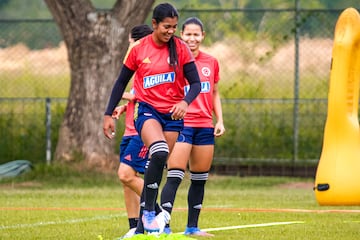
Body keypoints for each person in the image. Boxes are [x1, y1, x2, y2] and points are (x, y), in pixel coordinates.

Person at [103, 2, 201, 234]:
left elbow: (195, 83)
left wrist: (185, 102)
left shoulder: (181, 48)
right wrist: (108, 113)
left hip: (173, 116)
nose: (171, 31)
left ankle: (141, 228)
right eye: (167, 26)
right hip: (147, 111)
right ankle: (149, 212)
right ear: (154, 24)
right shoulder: (139, 49)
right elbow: (120, 82)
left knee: (156, 162)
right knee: (158, 151)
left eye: (174, 27)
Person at [159, 17, 225, 236]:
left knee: (199, 178)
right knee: (175, 175)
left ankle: (192, 228)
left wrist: (220, 120)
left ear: (203, 36)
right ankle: (164, 227)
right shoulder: (173, 60)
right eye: (188, 34)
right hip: (181, 125)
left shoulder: (211, 62)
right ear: (181, 35)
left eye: (196, 34)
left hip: (205, 126)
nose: (192, 38)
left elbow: (214, 92)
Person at [111, 25, 153, 239]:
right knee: (127, 179)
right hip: (129, 130)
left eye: (131, 42)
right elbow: (137, 94)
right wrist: (123, 106)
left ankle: (159, 212)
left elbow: (150, 95)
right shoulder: (137, 67)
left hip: (141, 129)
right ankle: (135, 227)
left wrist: (124, 95)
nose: (130, 46)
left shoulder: (153, 65)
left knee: (126, 175)